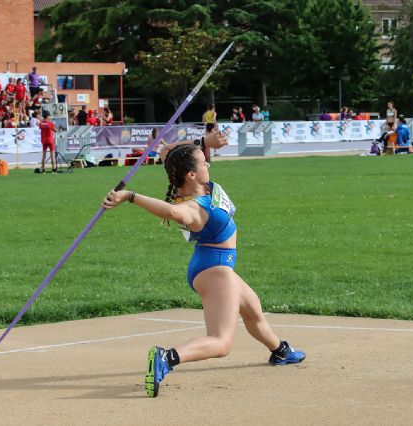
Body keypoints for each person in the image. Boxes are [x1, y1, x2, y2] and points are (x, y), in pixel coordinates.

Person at [102, 132, 306, 398]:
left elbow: (168, 153)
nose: (207, 164)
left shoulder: (194, 182)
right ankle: (167, 357)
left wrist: (203, 142)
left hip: (217, 266)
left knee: (253, 311)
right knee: (221, 343)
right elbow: (174, 213)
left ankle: (280, 351)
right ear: (191, 175)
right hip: (214, 271)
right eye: (202, 163)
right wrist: (130, 196)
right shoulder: (193, 208)